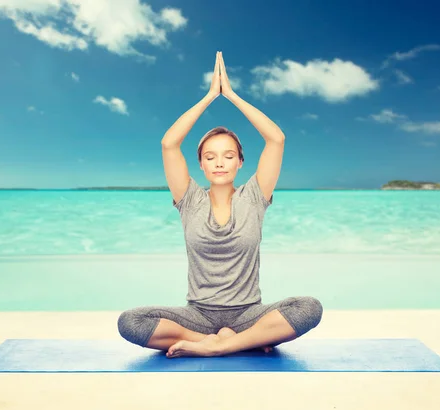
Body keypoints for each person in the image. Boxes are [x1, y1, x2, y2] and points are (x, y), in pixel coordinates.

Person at [117, 51, 322, 358]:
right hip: (198, 317)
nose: (220, 163)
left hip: (248, 314)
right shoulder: (189, 199)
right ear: (200, 165)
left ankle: (223, 344)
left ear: (240, 162)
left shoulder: (254, 196)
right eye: (210, 157)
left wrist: (233, 96)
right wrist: (211, 96)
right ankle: (240, 341)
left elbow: (276, 139)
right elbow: (169, 143)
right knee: (130, 322)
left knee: (309, 308)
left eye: (228, 156)